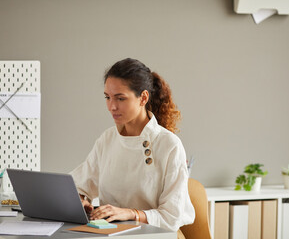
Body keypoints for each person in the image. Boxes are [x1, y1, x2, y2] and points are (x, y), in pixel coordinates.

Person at [70, 58, 195, 238]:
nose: (112, 106)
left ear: (143, 97)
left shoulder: (169, 145)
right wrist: (81, 201)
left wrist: (131, 213)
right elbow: (79, 185)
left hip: (154, 235)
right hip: (110, 234)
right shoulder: (107, 139)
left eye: (120, 98)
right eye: (107, 97)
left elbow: (172, 216)